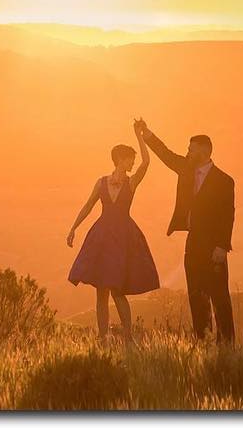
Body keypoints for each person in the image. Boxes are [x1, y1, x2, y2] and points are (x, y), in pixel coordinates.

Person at [134, 117, 235, 344]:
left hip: (214, 246)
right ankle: (204, 341)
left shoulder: (224, 181)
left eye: (191, 149)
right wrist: (146, 134)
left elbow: (228, 215)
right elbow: (166, 154)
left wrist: (222, 246)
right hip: (193, 242)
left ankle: (227, 344)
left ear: (204, 151)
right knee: (196, 295)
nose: (188, 152)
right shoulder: (186, 169)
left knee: (219, 297)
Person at [66, 125, 161, 342]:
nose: (133, 163)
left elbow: (147, 162)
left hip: (124, 237)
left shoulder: (132, 182)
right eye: (130, 159)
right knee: (101, 291)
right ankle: (103, 337)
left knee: (118, 291)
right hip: (102, 237)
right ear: (120, 159)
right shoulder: (101, 183)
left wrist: (140, 136)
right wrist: (73, 228)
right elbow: (88, 205)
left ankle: (128, 339)